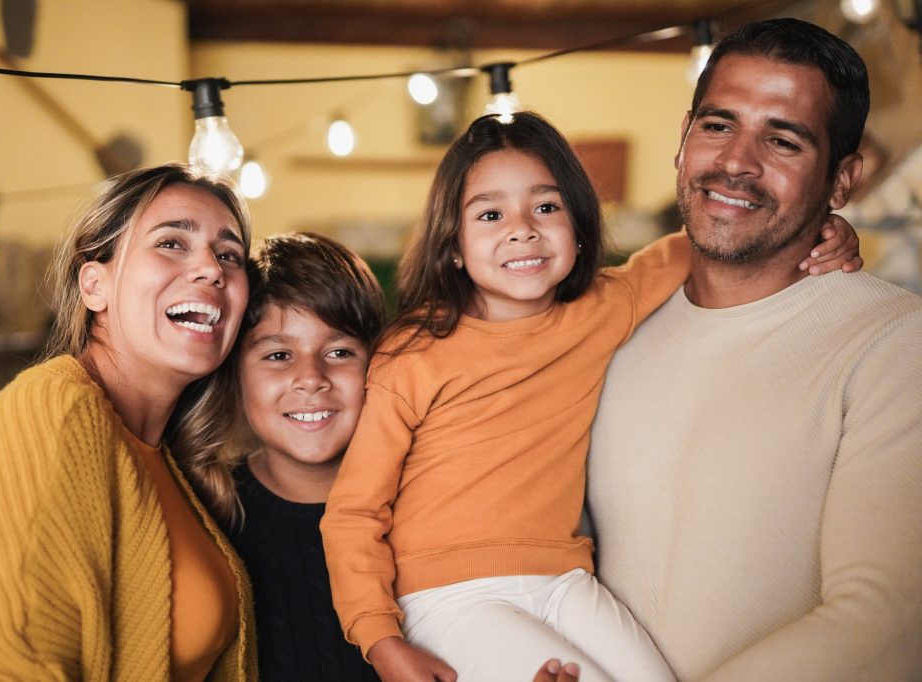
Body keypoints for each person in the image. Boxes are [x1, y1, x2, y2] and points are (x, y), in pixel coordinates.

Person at [320, 111, 860, 682]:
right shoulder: (414, 351)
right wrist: (380, 639)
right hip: (448, 596)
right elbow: (354, 512)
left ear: (578, 227)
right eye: (489, 214)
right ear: (452, 245)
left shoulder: (607, 305)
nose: (522, 228)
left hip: (565, 581)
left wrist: (821, 228)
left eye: (546, 207)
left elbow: (709, 243)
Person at [586, 18, 922, 682]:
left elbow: (887, 625)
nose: (737, 162)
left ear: (842, 181)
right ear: (682, 140)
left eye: (783, 140)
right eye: (718, 126)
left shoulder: (893, 343)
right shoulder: (611, 330)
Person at [0, 163, 258, 681]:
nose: (212, 268)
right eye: (171, 243)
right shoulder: (56, 410)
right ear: (95, 285)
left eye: (229, 255)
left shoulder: (163, 458)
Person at [225, 232, 386, 682]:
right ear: (235, 374)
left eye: (339, 352)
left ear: (379, 364)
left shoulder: (422, 504)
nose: (311, 378)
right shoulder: (209, 514)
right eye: (279, 355)